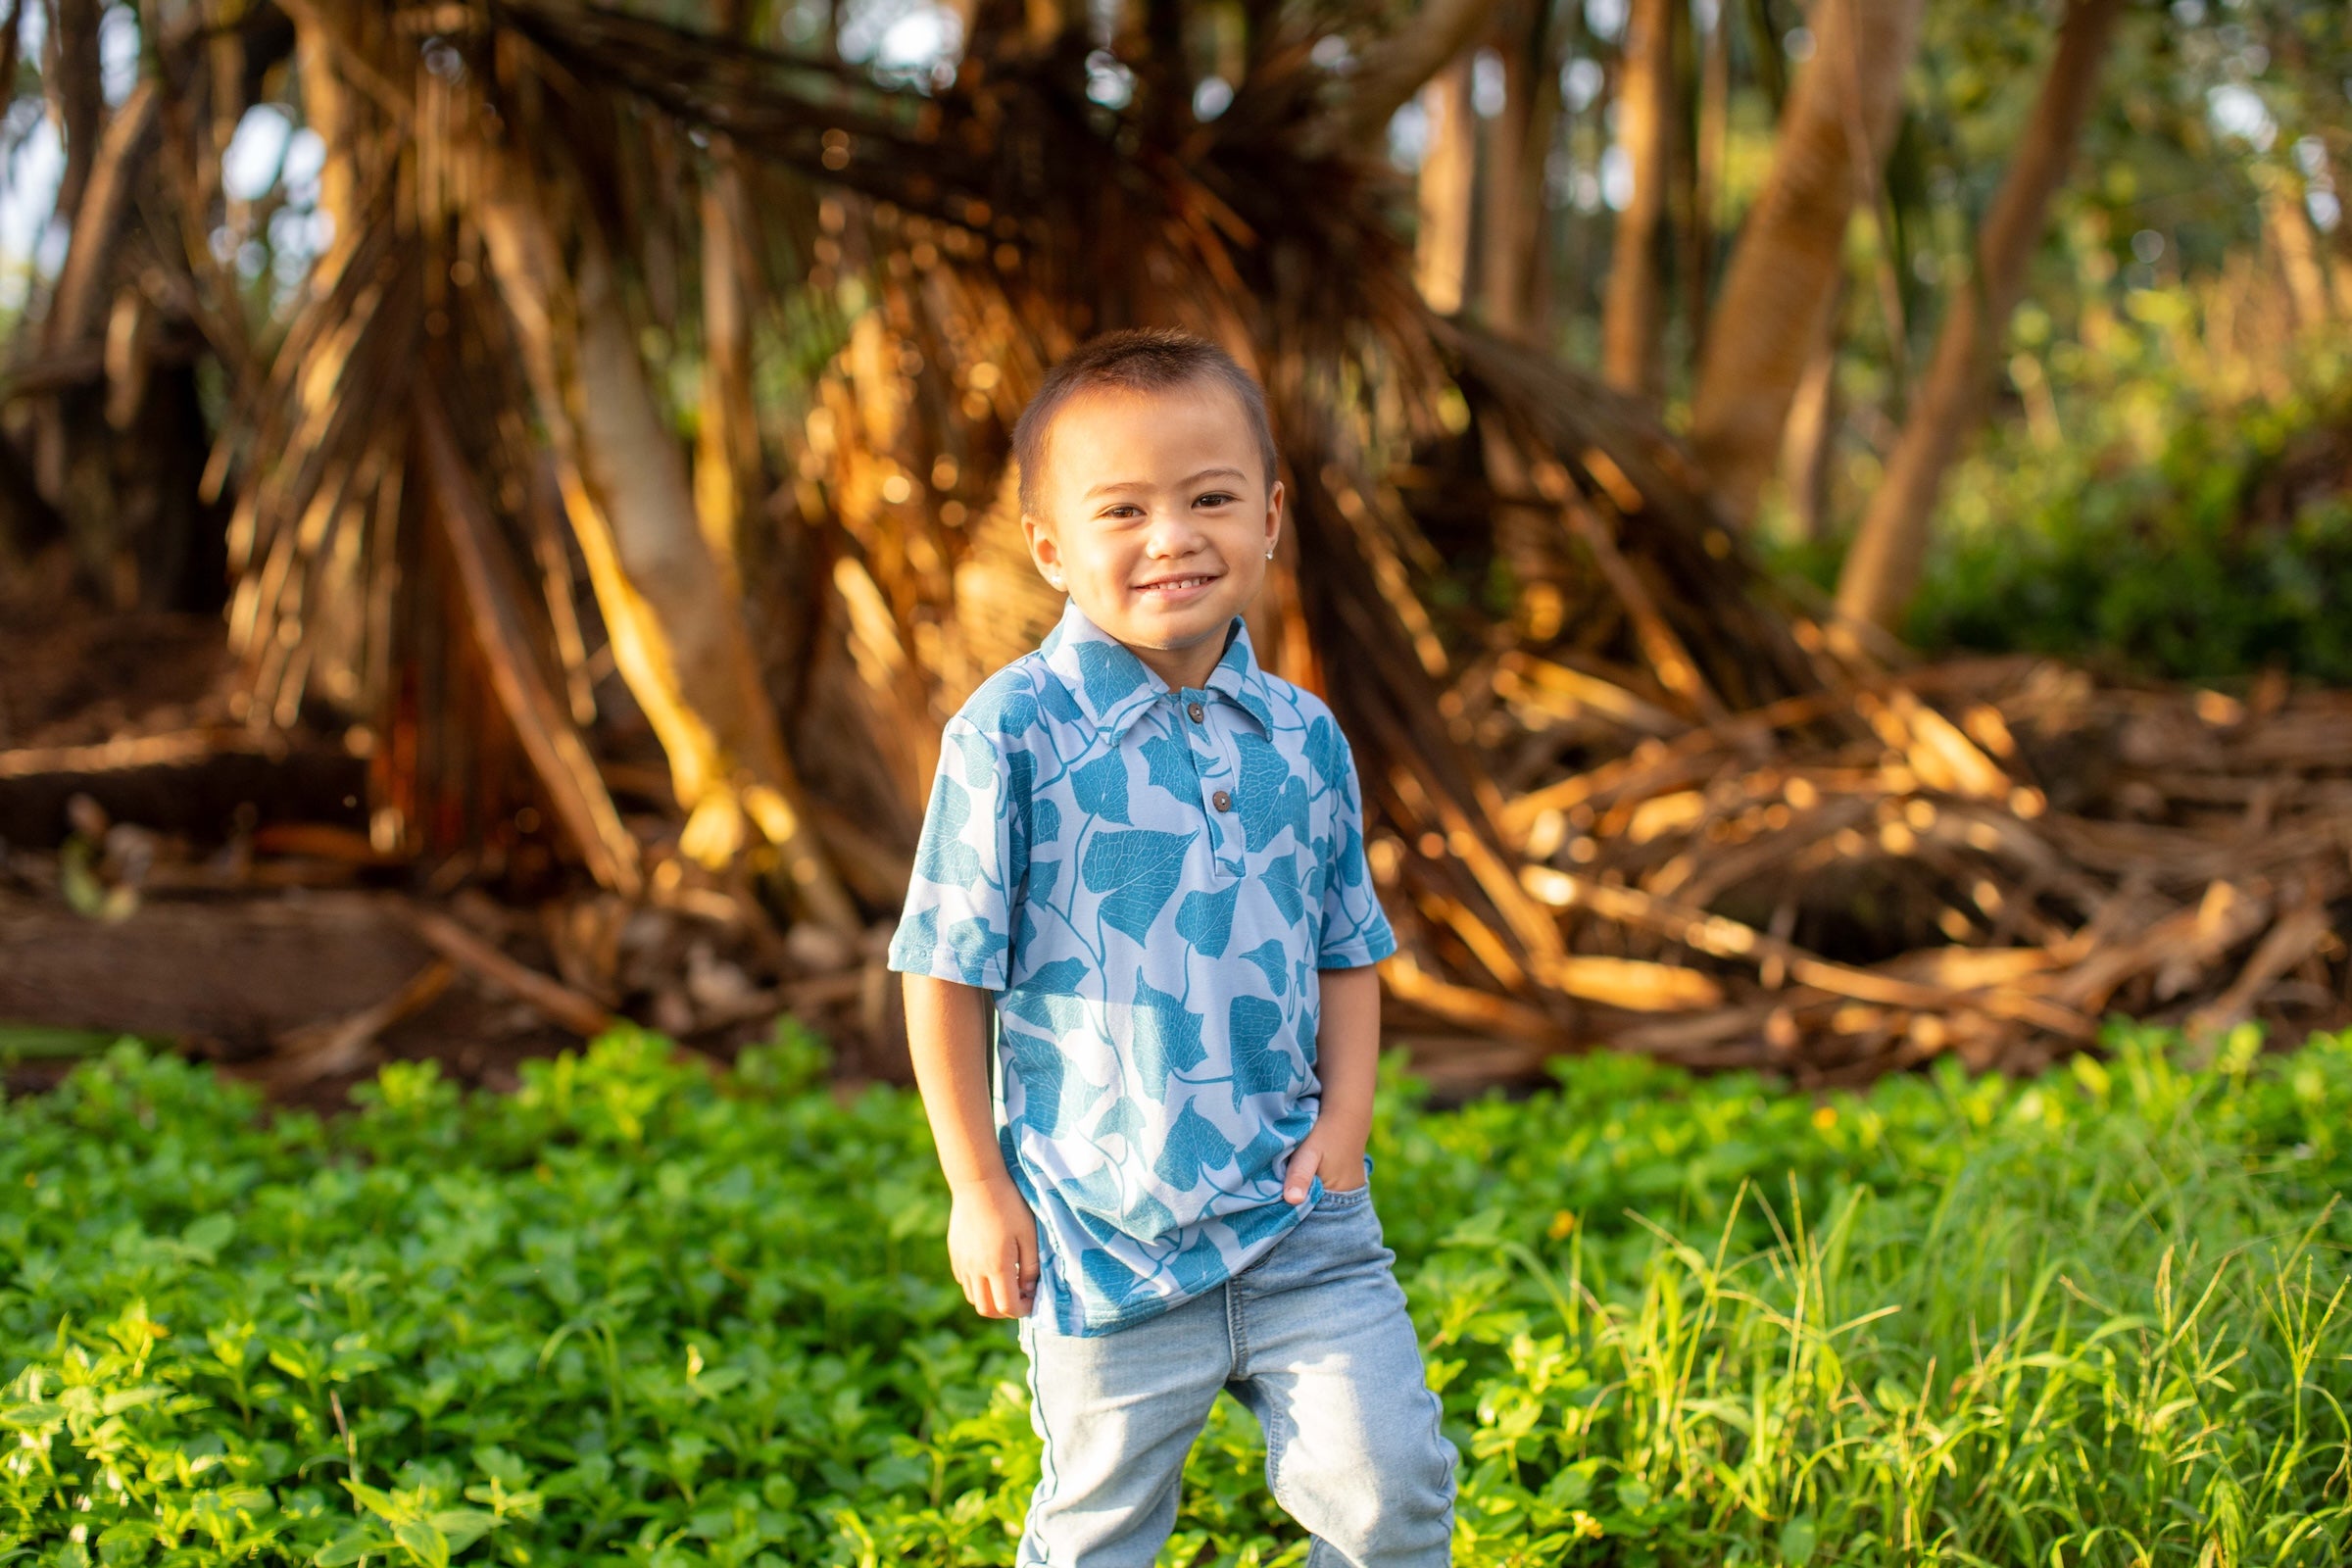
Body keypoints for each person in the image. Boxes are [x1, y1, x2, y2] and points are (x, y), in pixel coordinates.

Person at [888, 327, 1457, 1566]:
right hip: (1101, 1237)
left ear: (1270, 516)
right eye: (1123, 509)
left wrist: (1345, 1128)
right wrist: (977, 1187)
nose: (1172, 537)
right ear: (1050, 546)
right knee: (1098, 1533)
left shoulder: (1302, 735)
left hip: (1302, 1224)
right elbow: (944, 969)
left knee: (1394, 1491)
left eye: (1209, 498)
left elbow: (1346, 945)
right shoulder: (1011, 734)